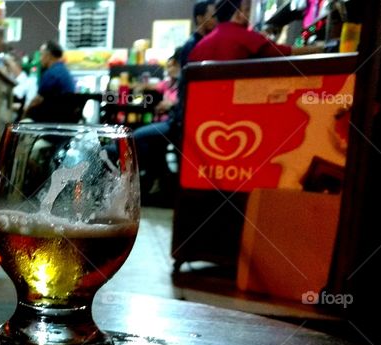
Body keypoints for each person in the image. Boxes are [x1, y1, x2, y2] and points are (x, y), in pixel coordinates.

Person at [131, 1, 216, 205]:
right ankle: (159, 182)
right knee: (141, 138)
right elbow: (188, 87)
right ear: (199, 18)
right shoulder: (194, 46)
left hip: (182, 119)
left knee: (140, 137)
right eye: (213, 15)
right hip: (182, 119)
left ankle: (162, 183)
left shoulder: (199, 44)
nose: (216, 20)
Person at [189, 0, 324, 62]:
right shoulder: (246, 37)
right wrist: (322, 48)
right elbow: (286, 52)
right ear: (237, 14)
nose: (250, 14)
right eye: (247, 9)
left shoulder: (199, 46)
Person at [25, 41, 77, 122]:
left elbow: (38, 99)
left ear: (48, 55)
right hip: (64, 119)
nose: (40, 59)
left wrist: (25, 111)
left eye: (41, 54)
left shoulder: (51, 74)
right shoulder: (64, 71)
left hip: (51, 119)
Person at [153, 53, 181, 122]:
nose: (170, 69)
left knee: (138, 133)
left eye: (174, 66)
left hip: (174, 121)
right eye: (168, 66)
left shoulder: (183, 84)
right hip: (160, 120)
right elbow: (153, 86)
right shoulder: (166, 83)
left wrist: (171, 104)